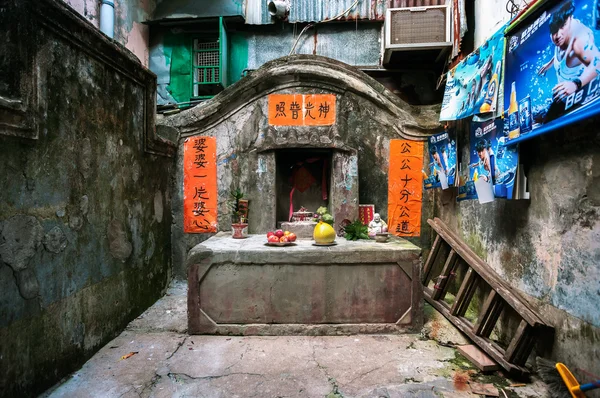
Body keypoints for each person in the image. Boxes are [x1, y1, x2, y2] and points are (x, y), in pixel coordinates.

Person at [538, 0, 600, 101]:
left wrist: (575, 84)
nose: (557, 35)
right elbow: (561, 52)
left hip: (580, 96)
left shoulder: (579, 42)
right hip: (564, 93)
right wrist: (549, 64)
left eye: (562, 26)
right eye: (554, 31)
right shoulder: (562, 36)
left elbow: (598, 62)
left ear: (570, 19)